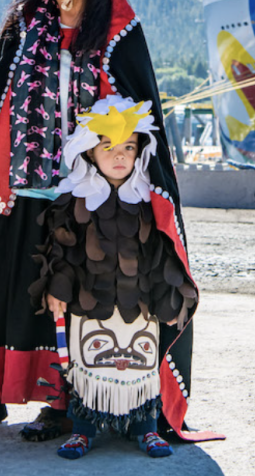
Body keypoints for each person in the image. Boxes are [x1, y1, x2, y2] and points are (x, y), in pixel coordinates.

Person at [0, 0, 218, 446]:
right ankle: (53, 400)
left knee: (89, 290)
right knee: (38, 293)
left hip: (96, 192)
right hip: (26, 185)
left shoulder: (121, 27)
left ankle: (89, 398)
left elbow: (142, 111)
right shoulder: (23, 25)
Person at [30, 95, 197, 459]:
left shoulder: (150, 202)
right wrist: (57, 287)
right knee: (88, 366)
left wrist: (167, 299)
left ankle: (145, 427)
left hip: (140, 305)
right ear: (90, 152)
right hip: (89, 302)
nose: (119, 156)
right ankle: (83, 428)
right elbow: (60, 251)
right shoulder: (73, 199)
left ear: (140, 152)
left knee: (141, 365)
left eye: (128, 147)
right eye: (108, 147)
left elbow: (162, 254)